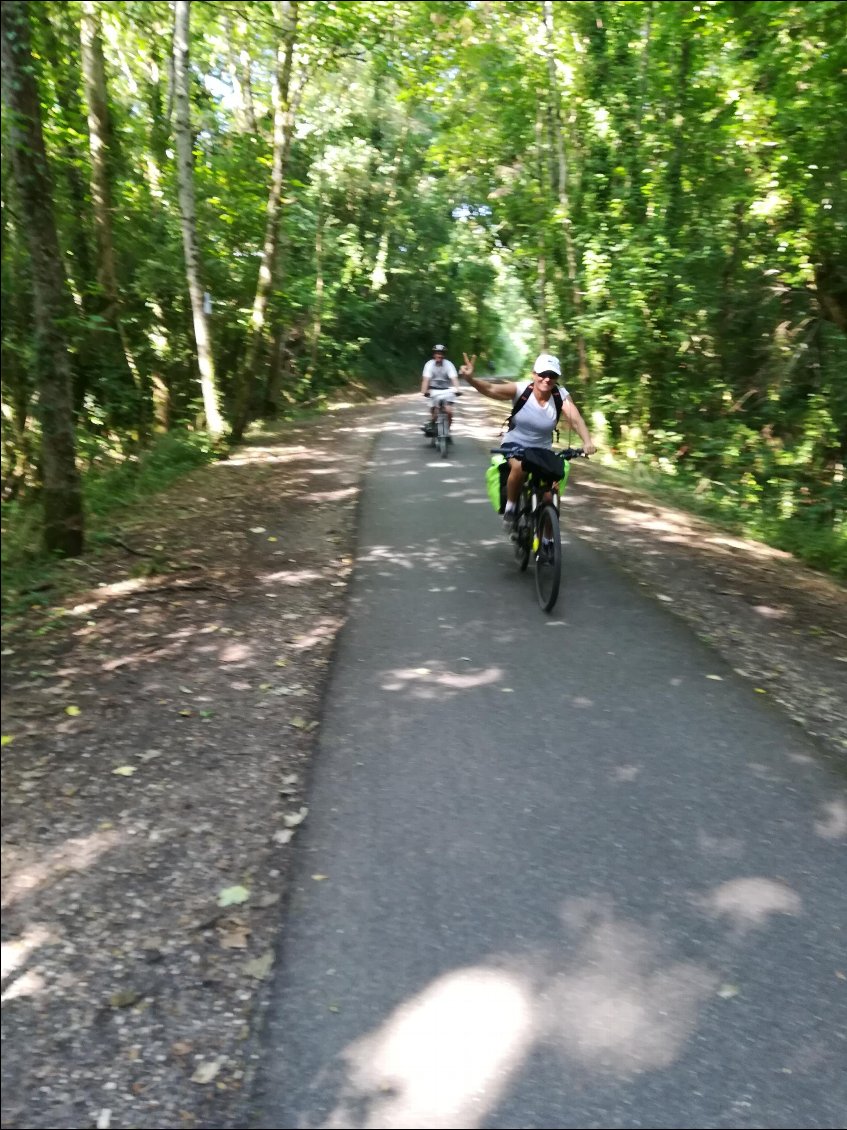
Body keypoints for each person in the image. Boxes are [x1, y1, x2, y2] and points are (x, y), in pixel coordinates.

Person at [459, 351, 597, 525]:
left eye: (552, 375)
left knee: (550, 496)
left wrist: (587, 442)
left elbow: (575, 420)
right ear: (534, 374)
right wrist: (471, 379)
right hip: (515, 444)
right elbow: (491, 389)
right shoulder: (521, 390)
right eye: (543, 374)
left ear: (557, 378)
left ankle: (548, 539)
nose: (547, 379)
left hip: (542, 450)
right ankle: (511, 506)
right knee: (519, 467)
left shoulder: (560, 395)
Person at [421, 344, 461, 435]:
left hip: (446, 390)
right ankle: (434, 425)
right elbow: (426, 379)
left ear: (444, 355)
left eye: (441, 353)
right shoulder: (429, 364)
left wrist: (458, 389)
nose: (439, 355)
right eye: (437, 353)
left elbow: (454, 378)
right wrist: (424, 391)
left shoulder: (449, 364)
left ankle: (448, 431)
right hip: (433, 390)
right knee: (434, 412)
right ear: (434, 355)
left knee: (449, 411)